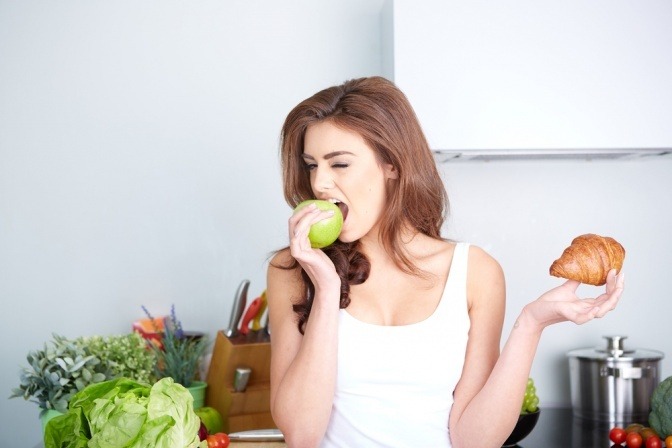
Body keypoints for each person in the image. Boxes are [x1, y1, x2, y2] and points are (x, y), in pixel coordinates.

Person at [266, 76, 624, 448]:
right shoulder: (293, 269)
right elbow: (301, 434)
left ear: (391, 164)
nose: (320, 184)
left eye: (339, 164)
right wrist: (325, 291)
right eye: (311, 165)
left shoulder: (475, 272)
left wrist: (531, 324)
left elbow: (474, 440)